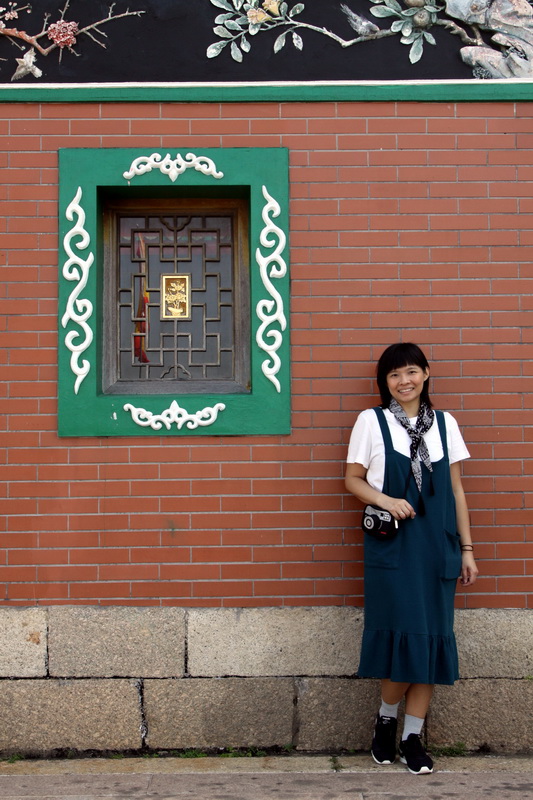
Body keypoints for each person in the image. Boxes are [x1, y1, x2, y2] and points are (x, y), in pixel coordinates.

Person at [345, 343, 478, 775]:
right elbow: (352, 480)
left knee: (432, 643)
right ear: (384, 382)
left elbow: (456, 490)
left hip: (438, 549)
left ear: (426, 373)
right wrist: (386, 500)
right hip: (395, 550)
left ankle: (412, 738)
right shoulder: (372, 421)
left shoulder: (445, 423)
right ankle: (386, 721)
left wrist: (467, 549)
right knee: (405, 640)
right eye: (394, 375)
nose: (404, 381)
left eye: (411, 372)